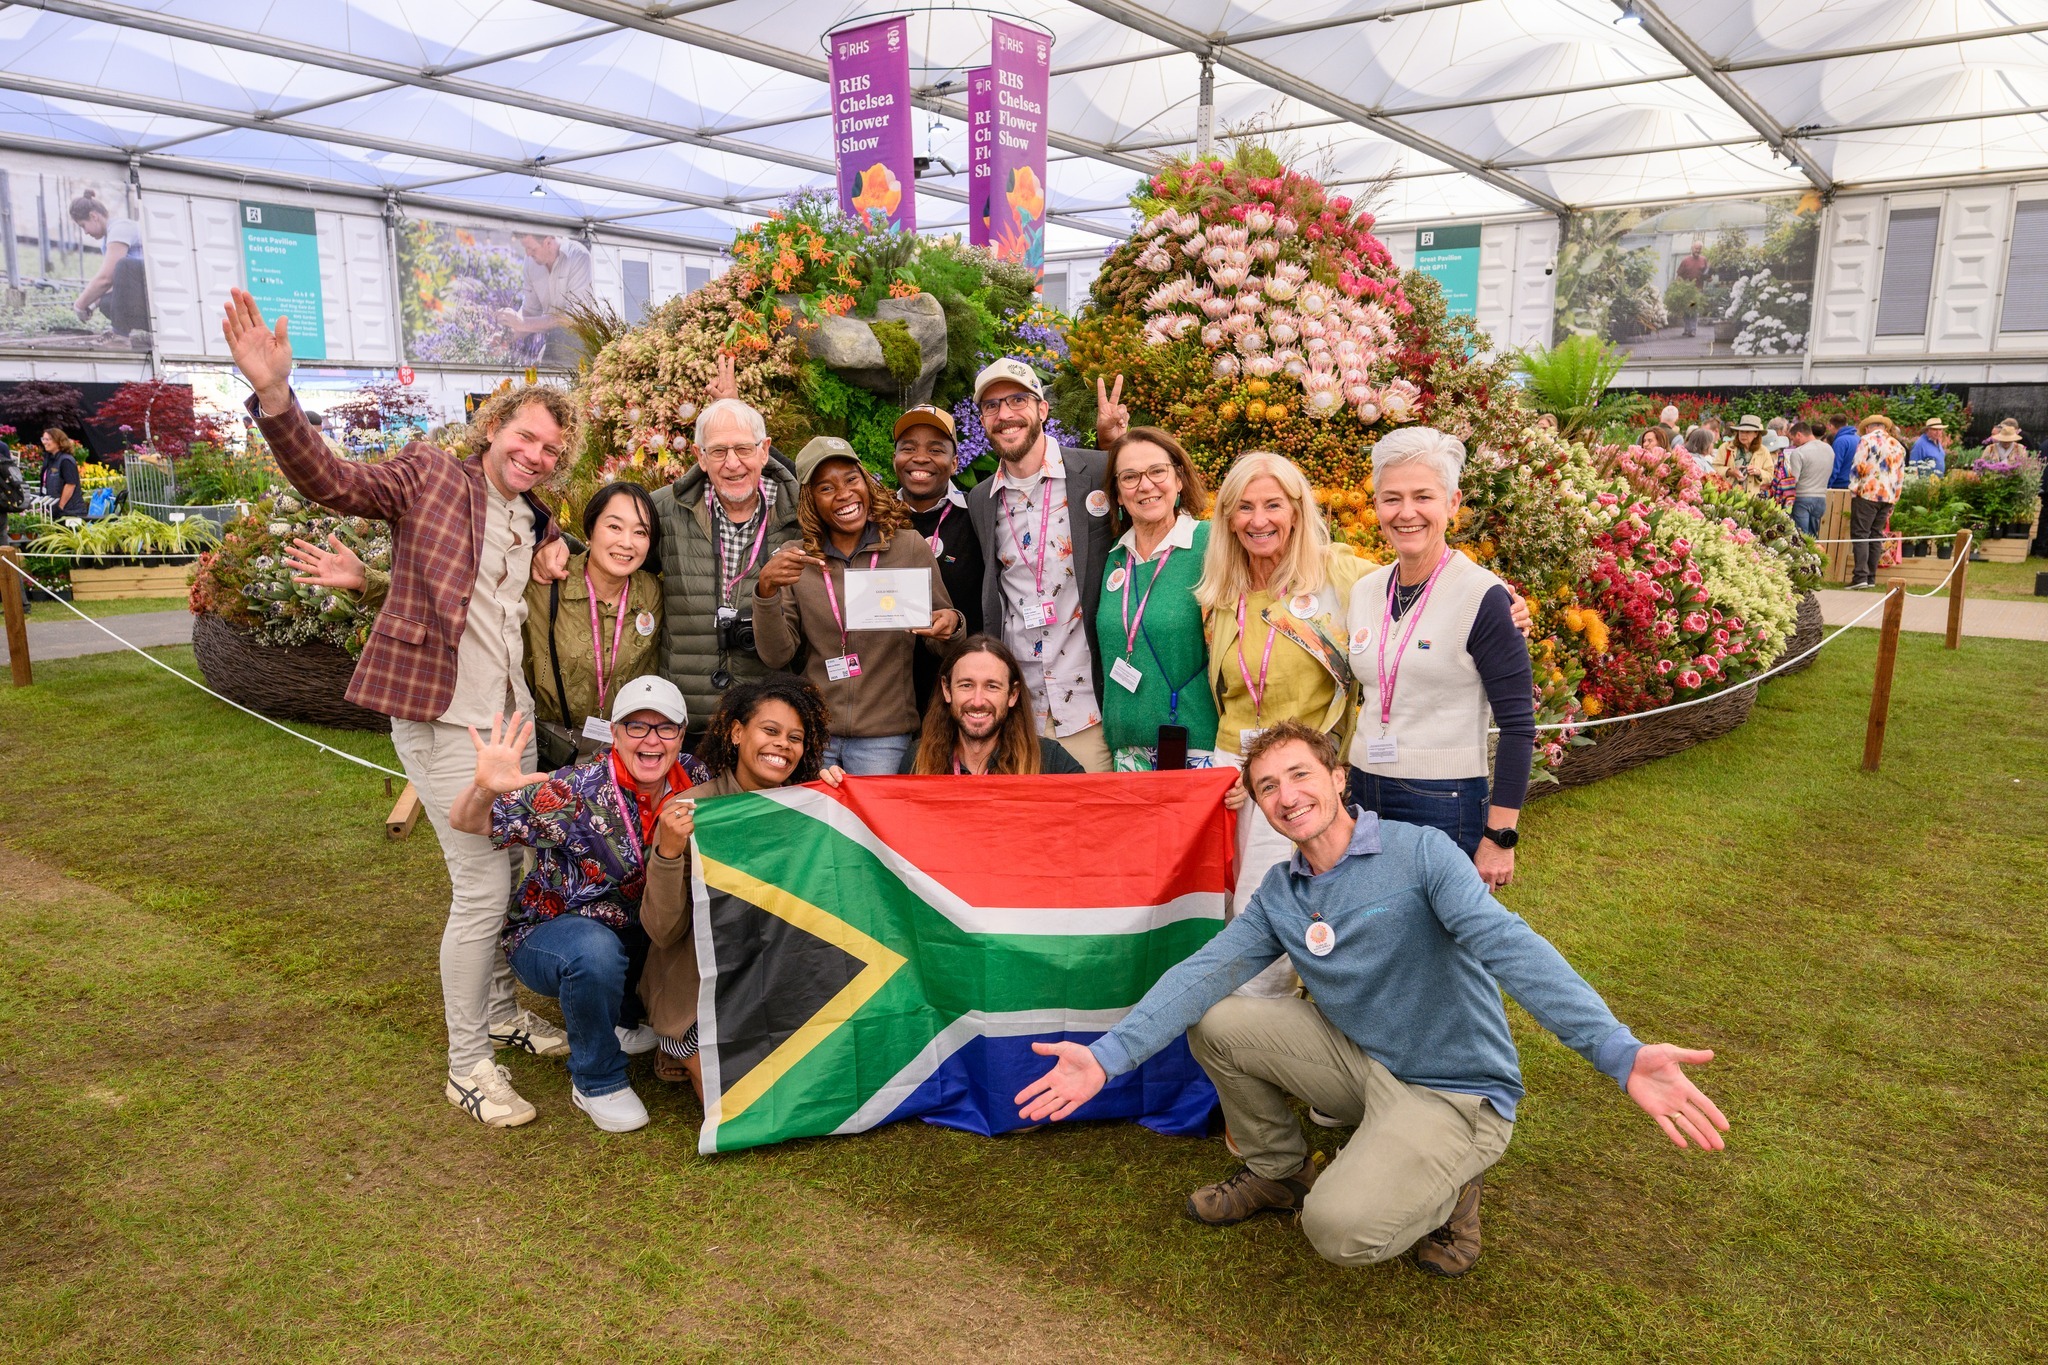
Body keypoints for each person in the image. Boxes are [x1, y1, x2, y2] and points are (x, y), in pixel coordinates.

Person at [1016, 721, 1728, 1277]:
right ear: (1259, 806)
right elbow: (1203, 972)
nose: (1287, 795)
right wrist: (1106, 1057)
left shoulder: (1421, 854)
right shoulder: (1281, 894)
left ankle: (1456, 1185)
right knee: (1218, 1019)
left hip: (1454, 1088)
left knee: (1338, 1231)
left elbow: (1512, 947)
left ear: (1338, 777)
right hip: (1362, 1061)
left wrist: (1618, 1051)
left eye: (1301, 774)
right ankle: (1278, 1172)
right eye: (1268, 786)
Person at [222, 285, 578, 1128]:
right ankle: (468, 1065)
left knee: (514, 870)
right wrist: (275, 395)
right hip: (441, 715)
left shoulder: (534, 516)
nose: (535, 455)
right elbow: (336, 482)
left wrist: (551, 537)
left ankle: (501, 1012)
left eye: (551, 449)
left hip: (510, 719)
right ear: (493, 426)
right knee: (482, 886)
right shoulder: (429, 474)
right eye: (525, 436)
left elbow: (475, 588)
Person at [448, 677, 710, 1132]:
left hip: (638, 927)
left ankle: (623, 1017)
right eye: (636, 727)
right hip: (555, 933)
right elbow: (467, 820)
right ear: (615, 734)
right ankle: (597, 1079)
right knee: (595, 951)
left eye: (665, 728)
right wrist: (485, 788)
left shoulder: (697, 778)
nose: (651, 740)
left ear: (682, 735)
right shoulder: (573, 789)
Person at [293, 481, 668, 770]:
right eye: (614, 526)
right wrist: (366, 581)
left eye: (640, 532)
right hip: (554, 750)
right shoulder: (545, 581)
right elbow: (454, 603)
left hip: (626, 751)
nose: (626, 543)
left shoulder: (651, 593)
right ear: (591, 529)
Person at [1197, 450, 1374, 998]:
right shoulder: (1222, 592)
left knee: (1264, 904)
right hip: (1231, 770)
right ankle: (1219, 1014)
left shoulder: (1336, 573)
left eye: (1272, 505)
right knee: (1219, 903)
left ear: (1296, 510)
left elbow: (1418, 586)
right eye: (1244, 507)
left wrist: (1498, 603)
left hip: (1294, 772)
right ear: (1228, 518)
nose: (1259, 520)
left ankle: (1258, 1023)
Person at [1347, 428, 1535, 892]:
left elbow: (1518, 726)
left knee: (1437, 931)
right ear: (1376, 505)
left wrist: (1500, 837)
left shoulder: (1482, 596)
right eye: (1392, 498)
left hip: (1443, 800)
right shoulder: (1365, 591)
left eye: (1423, 497)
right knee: (1370, 923)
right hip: (1363, 792)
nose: (1406, 512)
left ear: (1453, 503)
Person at [643, 674, 845, 1075]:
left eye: (795, 737)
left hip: (777, 980)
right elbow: (662, 932)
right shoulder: (690, 812)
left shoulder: (808, 808)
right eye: (770, 730)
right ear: (737, 733)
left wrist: (838, 800)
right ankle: (677, 1048)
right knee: (737, 1099)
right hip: (703, 990)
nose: (783, 744)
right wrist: (668, 853)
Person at [752, 436, 962, 774]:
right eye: (826, 488)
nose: (844, 494)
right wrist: (766, 591)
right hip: (815, 732)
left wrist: (951, 624)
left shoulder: (908, 547)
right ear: (810, 500)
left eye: (852, 479)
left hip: (885, 738)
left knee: (875, 812)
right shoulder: (796, 559)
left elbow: (943, 641)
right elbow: (777, 656)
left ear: (866, 483)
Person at [964, 358, 1116, 772]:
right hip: (1019, 711)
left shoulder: (1097, 471)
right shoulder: (980, 500)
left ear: (1042, 408)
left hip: (1088, 706)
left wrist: (1117, 444)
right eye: (992, 406)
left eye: (1017, 400)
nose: (1005, 414)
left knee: (1090, 812)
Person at [641, 397, 802, 743]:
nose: (732, 463)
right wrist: (554, 543)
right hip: (683, 720)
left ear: (764, 450)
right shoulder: (663, 509)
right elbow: (610, 556)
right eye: (718, 451)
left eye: (743, 449)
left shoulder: (800, 513)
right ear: (699, 456)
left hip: (766, 721)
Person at [1096, 427, 1218, 770]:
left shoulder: (1211, 544)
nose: (1145, 485)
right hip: (1126, 752)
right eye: (1130, 477)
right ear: (1118, 495)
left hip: (1196, 748)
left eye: (1157, 471)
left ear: (1179, 479)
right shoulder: (1115, 557)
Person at [892, 404, 985, 711]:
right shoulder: (874, 521)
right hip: (888, 696)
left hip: (961, 694)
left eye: (935, 449)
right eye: (908, 448)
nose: (920, 458)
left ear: (955, 462)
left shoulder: (978, 517)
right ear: (895, 459)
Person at [902, 634, 1085, 775]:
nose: (978, 701)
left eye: (992, 686)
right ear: (947, 689)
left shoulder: (1050, 760)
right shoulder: (918, 759)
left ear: (1013, 694)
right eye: (966, 685)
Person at [498, 232, 594, 367]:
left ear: (548, 242)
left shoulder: (578, 256)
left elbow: (572, 318)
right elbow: (530, 311)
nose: (528, 254)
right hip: (553, 343)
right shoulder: (530, 262)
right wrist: (507, 337)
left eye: (532, 249)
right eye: (525, 248)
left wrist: (522, 323)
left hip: (580, 346)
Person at [69, 190, 150, 345]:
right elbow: (116, 285)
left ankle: (119, 336)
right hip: (144, 294)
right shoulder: (107, 242)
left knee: (123, 265)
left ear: (94, 216)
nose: (85, 232)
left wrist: (80, 305)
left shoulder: (120, 228)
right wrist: (92, 304)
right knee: (106, 303)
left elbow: (106, 278)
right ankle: (137, 333)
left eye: (83, 226)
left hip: (157, 292)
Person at [1847, 414, 1907, 589]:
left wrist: (1853, 489)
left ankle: (1860, 577)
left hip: (1867, 493)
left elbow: (1858, 467)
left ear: (1868, 427)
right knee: (1875, 535)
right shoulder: (1897, 445)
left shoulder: (1866, 440)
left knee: (1861, 534)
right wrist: (1894, 499)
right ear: (1885, 428)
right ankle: (1871, 577)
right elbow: (1900, 476)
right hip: (1887, 496)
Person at [1784, 420, 1834, 536]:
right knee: (1813, 536)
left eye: (1793, 439)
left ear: (1799, 435)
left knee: (1801, 536)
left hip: (1802, 497)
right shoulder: (1829, 449)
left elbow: (1794, 479)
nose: (1793, 443)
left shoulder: (1798, 452)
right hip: (1821, 498)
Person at [38, 429, 86, 520]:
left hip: (70, 512)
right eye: (43, 439)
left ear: (58, 441)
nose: (44, 442)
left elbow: (70, 485)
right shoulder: (50, 460)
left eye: (47, 439)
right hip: (53, 510)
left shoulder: (66, 460)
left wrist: (60, 507)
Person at [1720, 415, 1770, 491]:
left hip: (1751, 497)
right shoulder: (1726, 447)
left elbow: (1769, 475)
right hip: (1727, 494)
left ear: (1756, 434)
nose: (1743, 435)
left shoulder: (1763, 451)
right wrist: (1730, 472)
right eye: (1741, 431)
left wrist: (1758, 472)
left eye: (1748, 432)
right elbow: (1715, 468)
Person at [1674, 241, 1708, 337]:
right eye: (1696, 248)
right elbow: (1679, 275)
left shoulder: (1703, 260)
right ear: (1692, 249)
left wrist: (1708, 278)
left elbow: (1706, 274)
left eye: (1699, 249)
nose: (1698, 250)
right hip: (1686, 290)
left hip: (1698, 290)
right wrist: (1677, 286)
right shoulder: (1685, 261)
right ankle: (1687, 329)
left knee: (1693, 309)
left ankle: (1692, 330)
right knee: (1686, 309)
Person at [1827, 412, 1861, 489]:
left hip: (1840, 484)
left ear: (1832, 426)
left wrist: (1828, 485)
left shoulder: (1840, 441)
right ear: (1846, 424)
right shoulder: (1858, 438)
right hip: (1854, 482)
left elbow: (1835, 465)